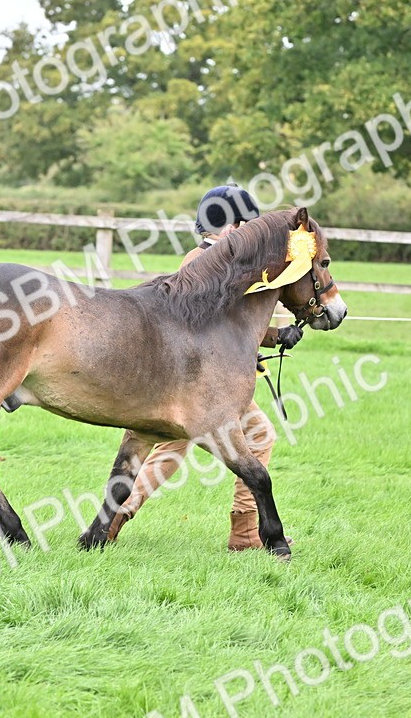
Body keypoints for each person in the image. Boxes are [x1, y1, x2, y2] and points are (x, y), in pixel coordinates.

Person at [107, 184, 302, 551]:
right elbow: (220, 325)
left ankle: (117, 516)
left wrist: (274, 335)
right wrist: (274, 334)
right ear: (234, 226)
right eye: (245, 226)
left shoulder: (204, 258)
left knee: (165, 448)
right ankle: (245, 533)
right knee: (258, 436)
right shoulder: (208, 262)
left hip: (185, 379)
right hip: (202, 383)